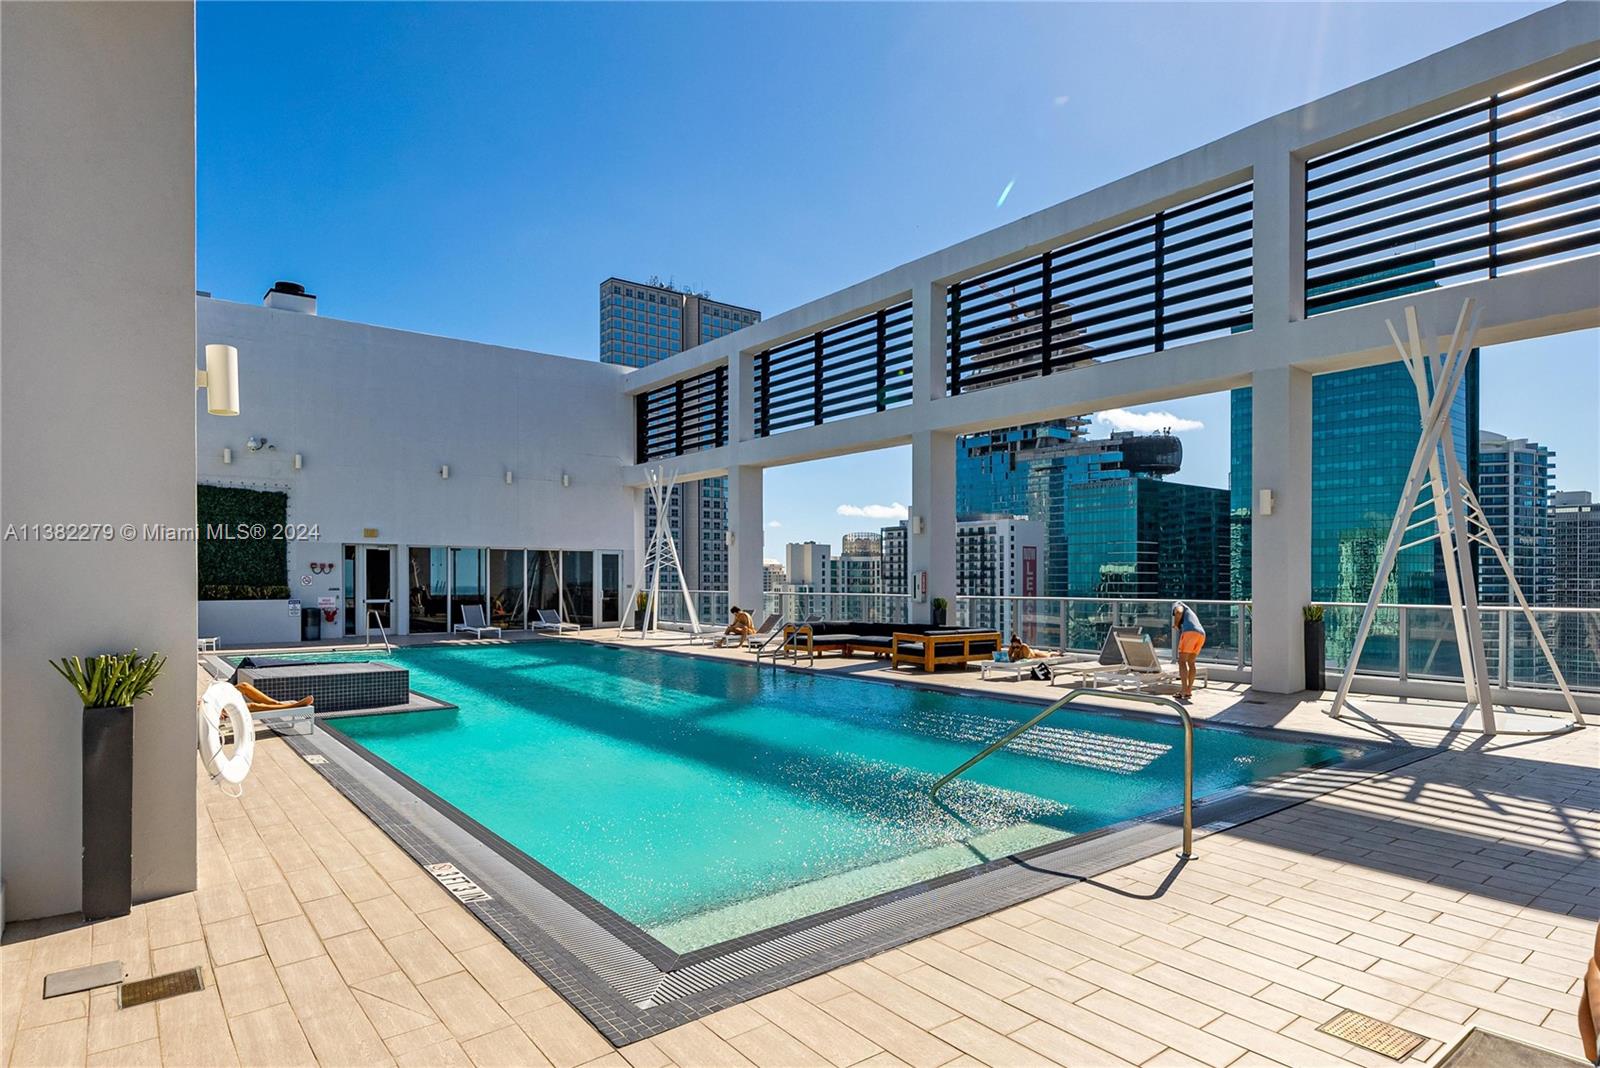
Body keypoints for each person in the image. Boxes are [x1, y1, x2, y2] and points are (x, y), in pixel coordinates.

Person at [1171, 601, 1205, 703]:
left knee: (1182, 661)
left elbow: (1178, 611)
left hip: (1190, 633)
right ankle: (1188, 690)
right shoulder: (1189, 611)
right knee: (1191, 662)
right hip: (1201, 634)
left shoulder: (1178, 604)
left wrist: (1176, 624)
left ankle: (1183, 690)